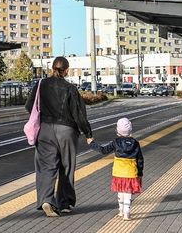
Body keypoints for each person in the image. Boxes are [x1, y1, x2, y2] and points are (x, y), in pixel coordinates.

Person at [25, 56, 93, 217]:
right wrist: (88, 133)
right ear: (67, 70)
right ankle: (65, 203)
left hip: (45, 130)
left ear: (52, 69)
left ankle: (46, 200)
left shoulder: (40, 85)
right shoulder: (70, 88)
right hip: (67, 131)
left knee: (45, 167)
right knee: (66, 166)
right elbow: (79, 113)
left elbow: (29, 106)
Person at [89, 117, 144, 221]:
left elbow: (104, 150)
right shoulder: (136, 143)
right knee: (128, 192)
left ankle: (120, 211)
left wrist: (92, 144)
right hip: (131, 172)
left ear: (118, 130)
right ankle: (127, 213)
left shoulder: (116, 142)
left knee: (120, 191)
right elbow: (140, 159)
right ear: (130, 130)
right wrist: (140, 173)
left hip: (118, 172)